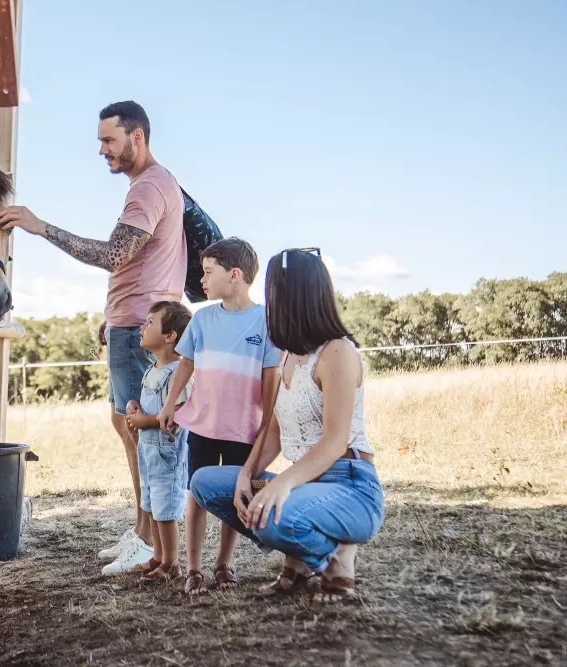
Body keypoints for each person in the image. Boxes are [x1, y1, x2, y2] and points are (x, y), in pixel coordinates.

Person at [0, 101, 187, 571]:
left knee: (141, 432)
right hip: (131, 320)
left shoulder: (148, 188)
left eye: (109, 140)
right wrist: (116, 315)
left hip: (139, 324)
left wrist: (41, 228)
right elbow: (140, 262)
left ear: (136, 137)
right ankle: (142, 531)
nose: (101, 150)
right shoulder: (153, 185)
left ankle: (150, 541)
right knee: (127, 426)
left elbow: (113, 254)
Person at [189, 248, 385, 602]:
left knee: (273, 511)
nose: (268, 302)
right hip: (304, 482)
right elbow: (275, 431)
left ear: (293, 297)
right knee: (205, 482)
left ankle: (337, 561)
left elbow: (335, 441)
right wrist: (248, 474)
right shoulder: (287, 355)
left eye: (273, 292)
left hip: (350, 486)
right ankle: (297, 563)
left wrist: (279, 484)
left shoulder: (337, 352)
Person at [157, 238, 281, 596]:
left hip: (245, 429)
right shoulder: (202, 320)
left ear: (236, 275)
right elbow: (186, 365)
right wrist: (169, 406)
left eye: (209, 272)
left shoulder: (266, 321)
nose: (202, 280)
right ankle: (193, 569)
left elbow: (270, 377)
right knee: (196, 492)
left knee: (234, 496)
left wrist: (266, 422)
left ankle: (223, 563)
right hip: (204, 425)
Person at [109, 300, 194, 579]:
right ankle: (157, 556)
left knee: (165, 509)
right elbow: (146, 403)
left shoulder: (177, 374)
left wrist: (144, 421)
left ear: (170, 337)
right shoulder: (151, 368)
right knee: (152, 504)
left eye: (150, 323)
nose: (142, 328)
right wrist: (134, 404)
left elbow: (181, 413)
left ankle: (171, 562)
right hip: (148, 452)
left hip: (167, 455)